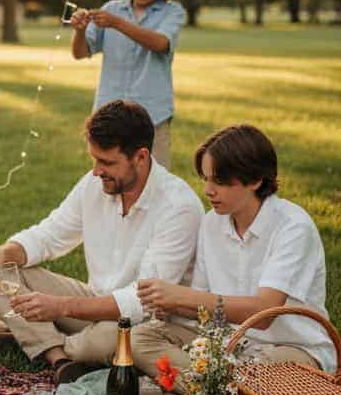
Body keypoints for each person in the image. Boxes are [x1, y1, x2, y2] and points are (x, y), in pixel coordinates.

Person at [0, 100, 203, 380]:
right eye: (94, 159)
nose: (95, 171)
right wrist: (3, 252)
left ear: (140, 156)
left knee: (107, 340)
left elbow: (142, 303)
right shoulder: (96, 184)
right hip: (94, 302)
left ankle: (30, 337)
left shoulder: (178, 206)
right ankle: (58, 357)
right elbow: (50, 234)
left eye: (106, 162)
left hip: (148, 323)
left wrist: (60, 307)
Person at [133, 124, 336, 381]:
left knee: (251, 374)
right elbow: (204, 309)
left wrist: (182, 296)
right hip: (227, 346)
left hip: (288, 349)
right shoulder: (211, 223)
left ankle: (202, 394)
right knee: (142, 338)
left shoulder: (293, 227)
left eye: (219, 181)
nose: (208, 190)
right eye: (205, 178)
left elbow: (264, 313)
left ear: (255, 180)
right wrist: (169, 305)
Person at [70, 0, 184, 169]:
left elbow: (160, 43)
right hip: (109, 116)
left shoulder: (172, 12)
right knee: (107, 183)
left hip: (153, 116)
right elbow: (80, 52)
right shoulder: (111, 7)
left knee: (154, 185)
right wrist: (80, 30)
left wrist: (117, 23)